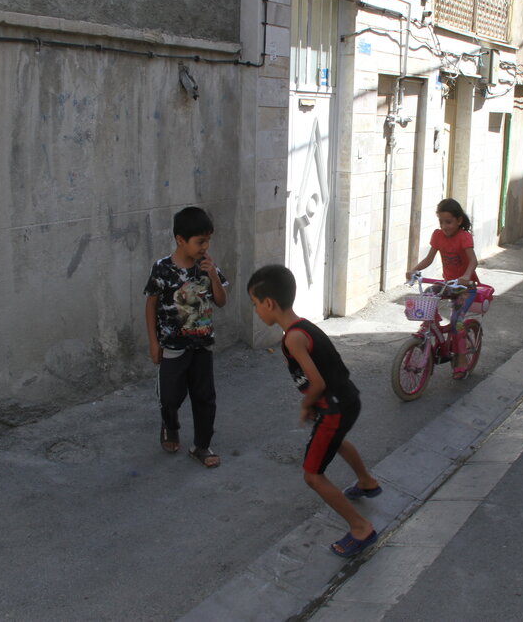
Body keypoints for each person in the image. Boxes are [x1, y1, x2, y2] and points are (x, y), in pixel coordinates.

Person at [247, 264, 382, 558]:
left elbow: (317, 382)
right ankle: (367, 482)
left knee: (312, 476)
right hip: (347, 400)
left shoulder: (292, 338)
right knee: (337, 441)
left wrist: (306, 405)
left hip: (333, 408)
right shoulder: (302, 326)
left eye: (255, 304)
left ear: (269, 303)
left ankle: (360, 528)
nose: (256, 310)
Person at [144, 206, 228, 467]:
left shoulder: (207, 268)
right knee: (170, 397)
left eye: (208, 240)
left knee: (205, 397)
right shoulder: (162, 269)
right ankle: (170, 424)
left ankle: (201, 446)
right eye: (200, 241)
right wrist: (153, 342)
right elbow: (151, 305)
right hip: (172, 346)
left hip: (202, 345)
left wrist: (213, 275)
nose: (205, 246)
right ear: (180, 240)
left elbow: (221, 301)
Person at [406, 198, 479, 380]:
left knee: (456, 323)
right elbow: (430, 258)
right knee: (429, 292)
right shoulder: (438, 235)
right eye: (441, 222)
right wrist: (414, 270)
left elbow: (473, 261)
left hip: (465, 288)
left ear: (459, 220)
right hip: (448, 284)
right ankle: (432, 325)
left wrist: (466, 277)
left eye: (449, 222)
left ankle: (461, 360)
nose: (445, 226)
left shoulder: (464, 237)